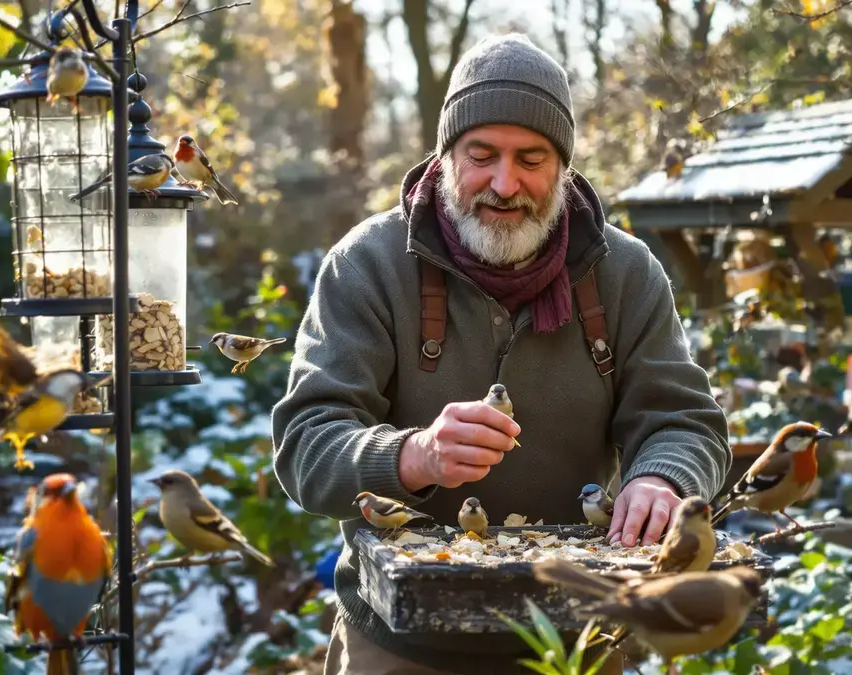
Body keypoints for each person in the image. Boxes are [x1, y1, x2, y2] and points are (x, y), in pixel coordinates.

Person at [272, 32, 731, 675]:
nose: (504, 183)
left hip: (579, 637)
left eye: (531, 158)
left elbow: (685, 420)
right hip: (401, 643)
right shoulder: (367, 264)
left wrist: (662, 478)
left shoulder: (625, 273)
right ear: (445, 157)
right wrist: (414, 455)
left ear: (564, 166)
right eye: (481, 155)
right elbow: (307, 447)